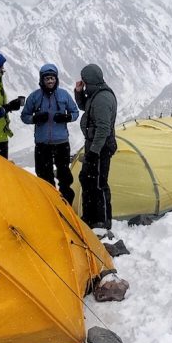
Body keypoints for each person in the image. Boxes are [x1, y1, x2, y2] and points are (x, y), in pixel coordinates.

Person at [21, 63, 80, 203]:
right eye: (47, 78)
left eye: (52, 78)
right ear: (42, 80)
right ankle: (50, 203)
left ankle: (66, 203)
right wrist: (34, 118)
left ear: (56, 79)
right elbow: (24, 116)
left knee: (64, 176)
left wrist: (67, 117)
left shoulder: (64, 95)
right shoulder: (34, 97)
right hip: (43, 144)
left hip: (61, 142)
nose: (50, 81)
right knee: (44, 176)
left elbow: (75, 112)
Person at [75, 63, 117, 232]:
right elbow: (84, 106)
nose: (83, 83)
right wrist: (78, 93)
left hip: (100, 148)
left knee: (98, 184)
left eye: (84, 81)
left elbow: (103, 129)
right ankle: (90, 218)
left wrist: (93, 152)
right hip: (94, 146)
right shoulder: (95, 94)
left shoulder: (102, 98)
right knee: (87, 180)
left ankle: (102, 222)